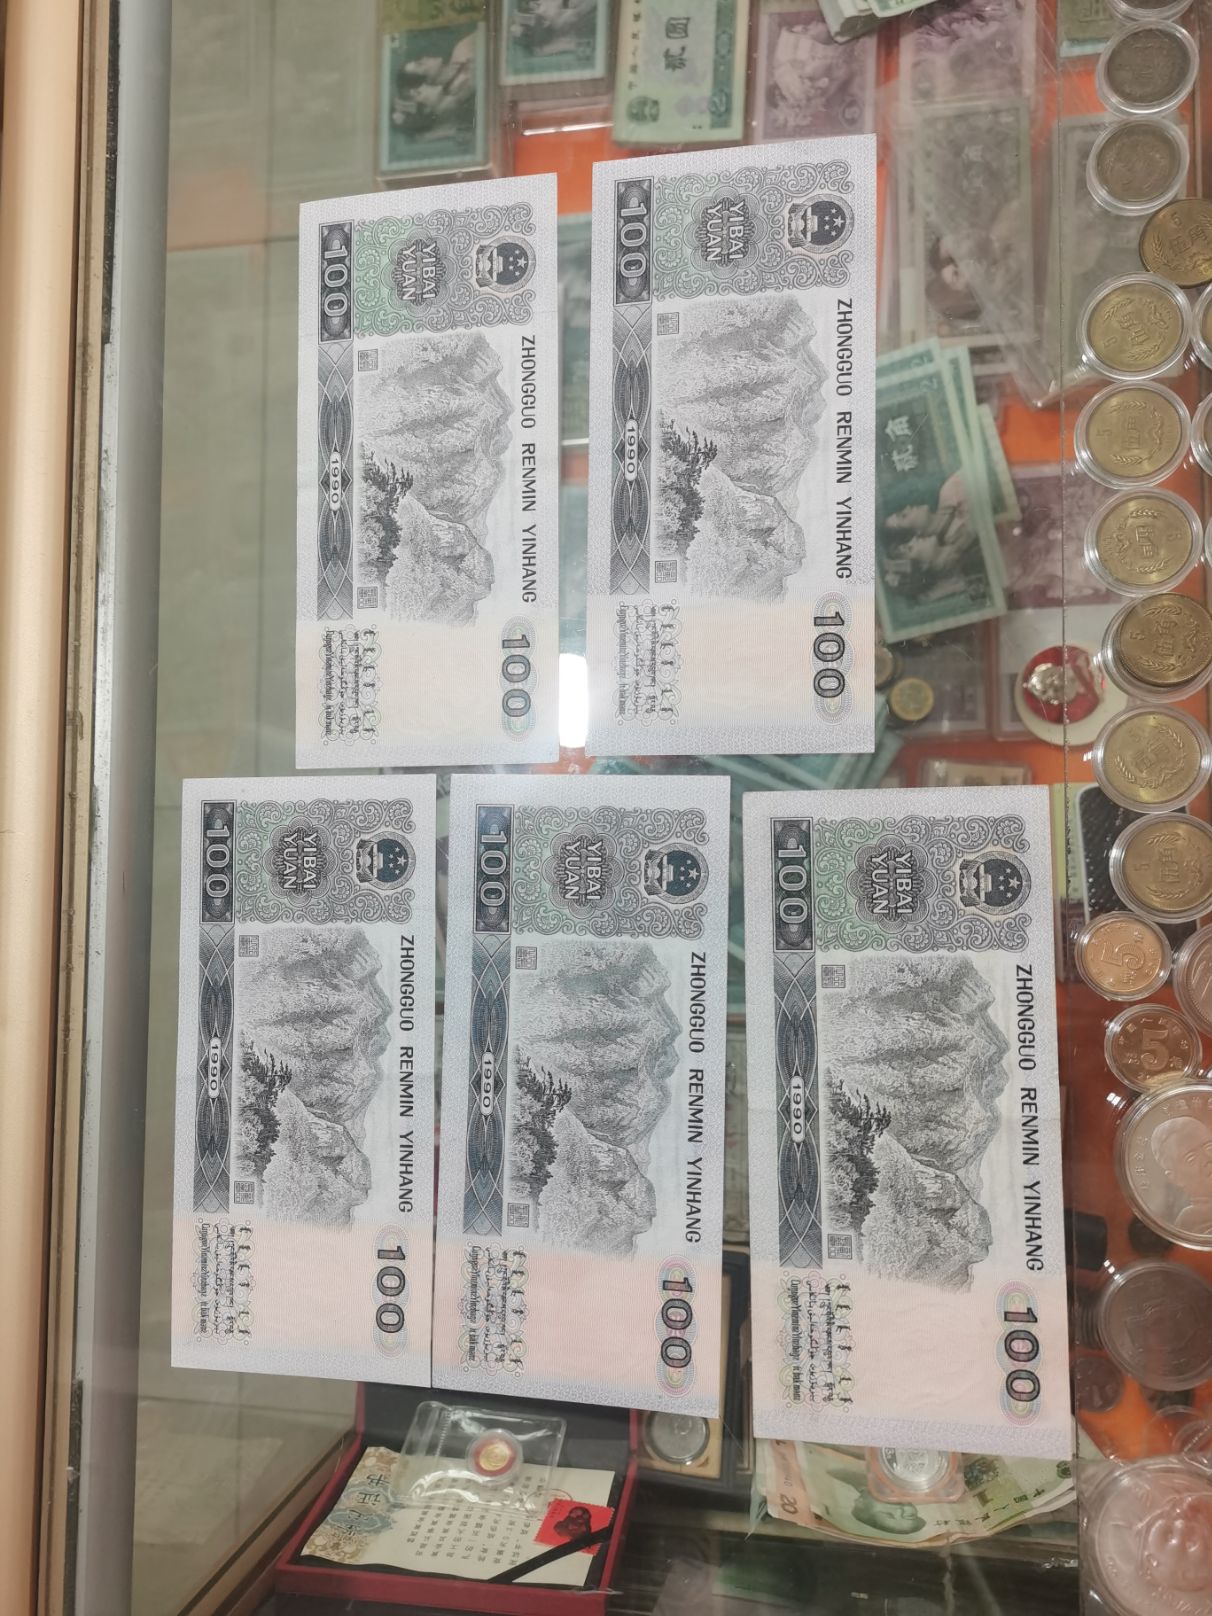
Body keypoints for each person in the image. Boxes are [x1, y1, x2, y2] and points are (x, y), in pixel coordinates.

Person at [880, 471, 978, 605]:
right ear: (916, 532)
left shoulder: (949, 492)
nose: (908, 507)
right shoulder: (960, 545)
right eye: (903, 515)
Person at [1151, 1114, 1212, 1238]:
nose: (1208, 1158)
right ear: (1175, 1178)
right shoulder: (1191, 1221)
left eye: (1209, 1148)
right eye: (1191, 1159)